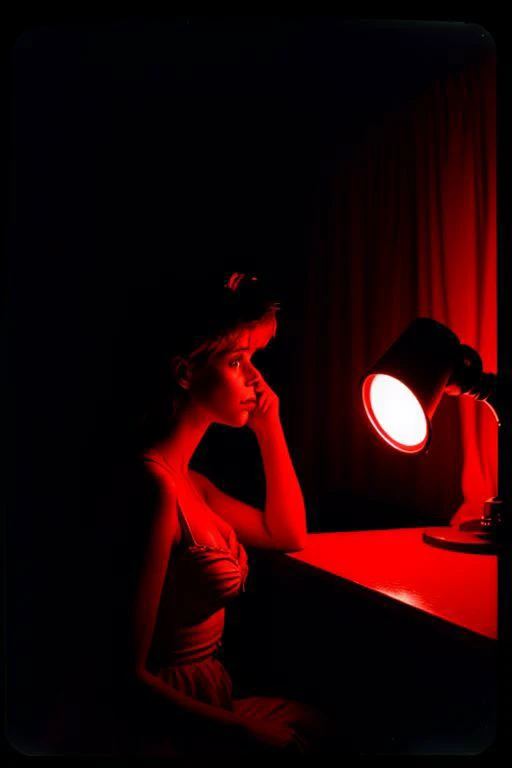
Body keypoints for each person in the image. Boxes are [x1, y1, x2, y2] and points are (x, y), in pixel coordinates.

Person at [76, 270, 330, 756]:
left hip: (211, 696)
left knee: (320, 726)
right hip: (162, 722)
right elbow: (120, 677)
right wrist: (239, 732)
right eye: (237, 361)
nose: (255, 379)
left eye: (254, 360)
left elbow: (288, 532)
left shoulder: (192, 483)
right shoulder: (153, 485)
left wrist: (268, 426)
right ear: (185, 373)